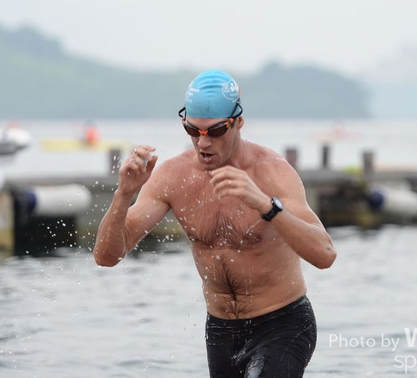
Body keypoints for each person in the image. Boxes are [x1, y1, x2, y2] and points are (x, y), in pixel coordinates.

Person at [93, 69, 337, 378]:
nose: (203, 142)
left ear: (238, 122)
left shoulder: (272, 172)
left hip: (282, 323)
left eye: (216, 131)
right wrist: (123, 195)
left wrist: (266, 205)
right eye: (192, 131)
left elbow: (325, 254)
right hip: (220, 331)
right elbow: (106, 257)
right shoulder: (173, 176)